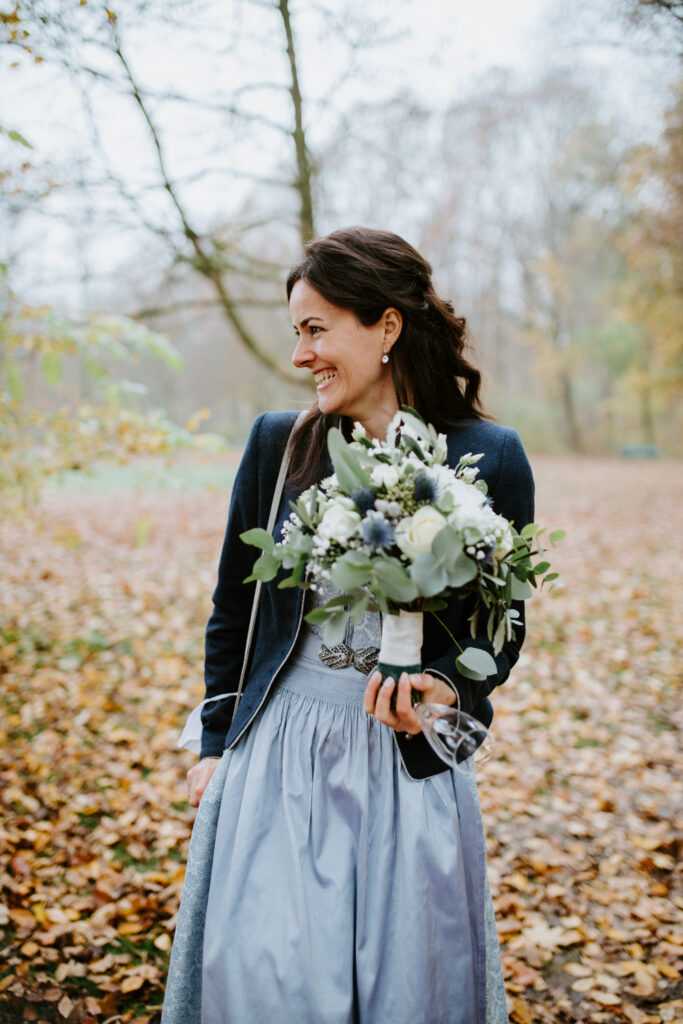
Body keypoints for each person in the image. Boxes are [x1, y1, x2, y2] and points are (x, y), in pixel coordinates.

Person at [161, 227, 534, 1024]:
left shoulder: (490, 457)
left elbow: (501, 628)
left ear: (386, 327)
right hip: (281, 757)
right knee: (270, 979)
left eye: (315, 329)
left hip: (406, 767)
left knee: (406, 987)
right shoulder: (279, 446)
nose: (301, 356)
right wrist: (216, 740)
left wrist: (446, 680)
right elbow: (235, 605)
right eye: (296, 333)